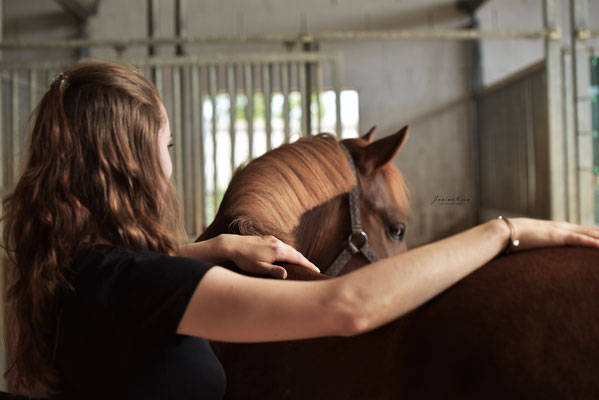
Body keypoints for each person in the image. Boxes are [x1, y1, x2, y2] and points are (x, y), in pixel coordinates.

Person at [2, 60, 598, 400]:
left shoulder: (77, 266)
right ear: (131, 163)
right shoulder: (137, 282)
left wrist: (206, 247)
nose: (169, 162)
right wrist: (503, 232)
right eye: (167, 144)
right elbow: (348, 305)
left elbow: (134, 285)